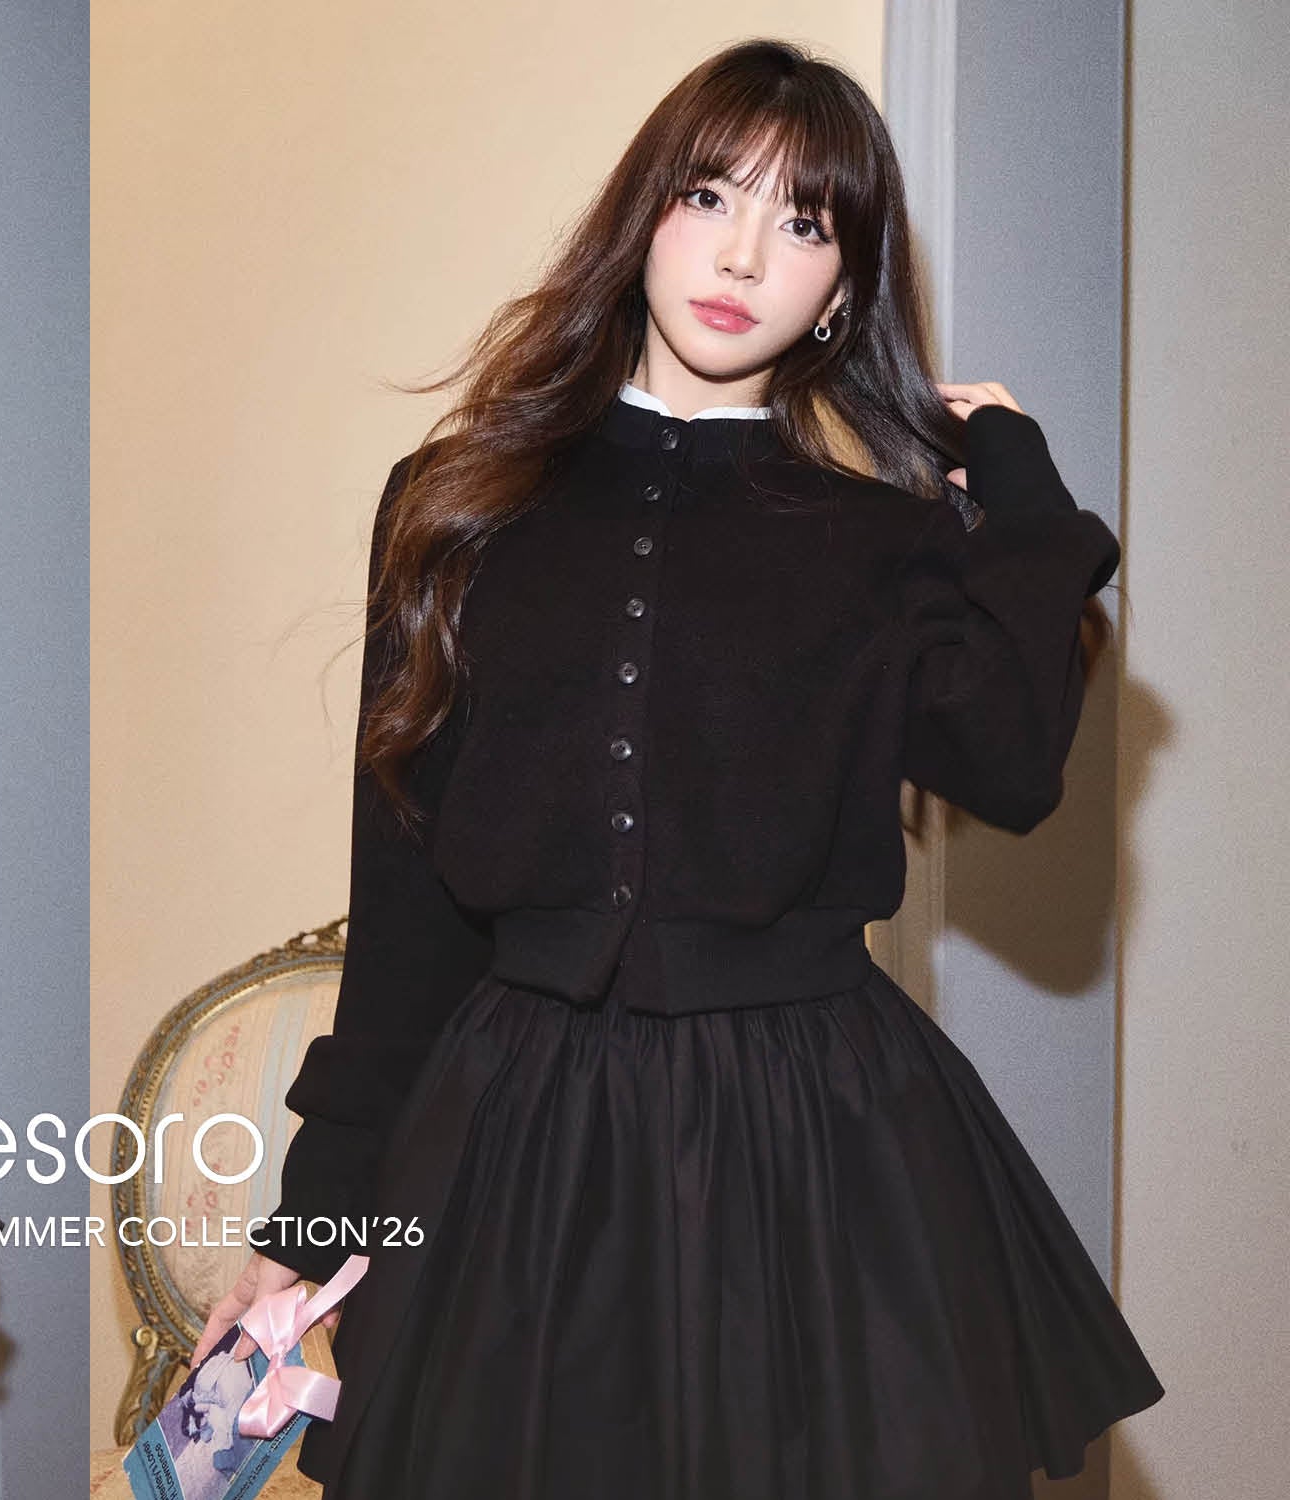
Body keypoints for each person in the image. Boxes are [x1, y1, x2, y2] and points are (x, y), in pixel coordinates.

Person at [192, 38, 1161, 1500]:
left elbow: (1013, 767)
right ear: (643, 214)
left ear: (843, 289)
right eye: (710, 196)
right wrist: (312, 1224)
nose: (744, 255)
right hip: (512, 1139)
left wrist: (1025, 508)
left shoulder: (884, 541)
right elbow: (406, 910)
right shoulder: (454, 507)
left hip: (808, 1147)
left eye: (804, 223)